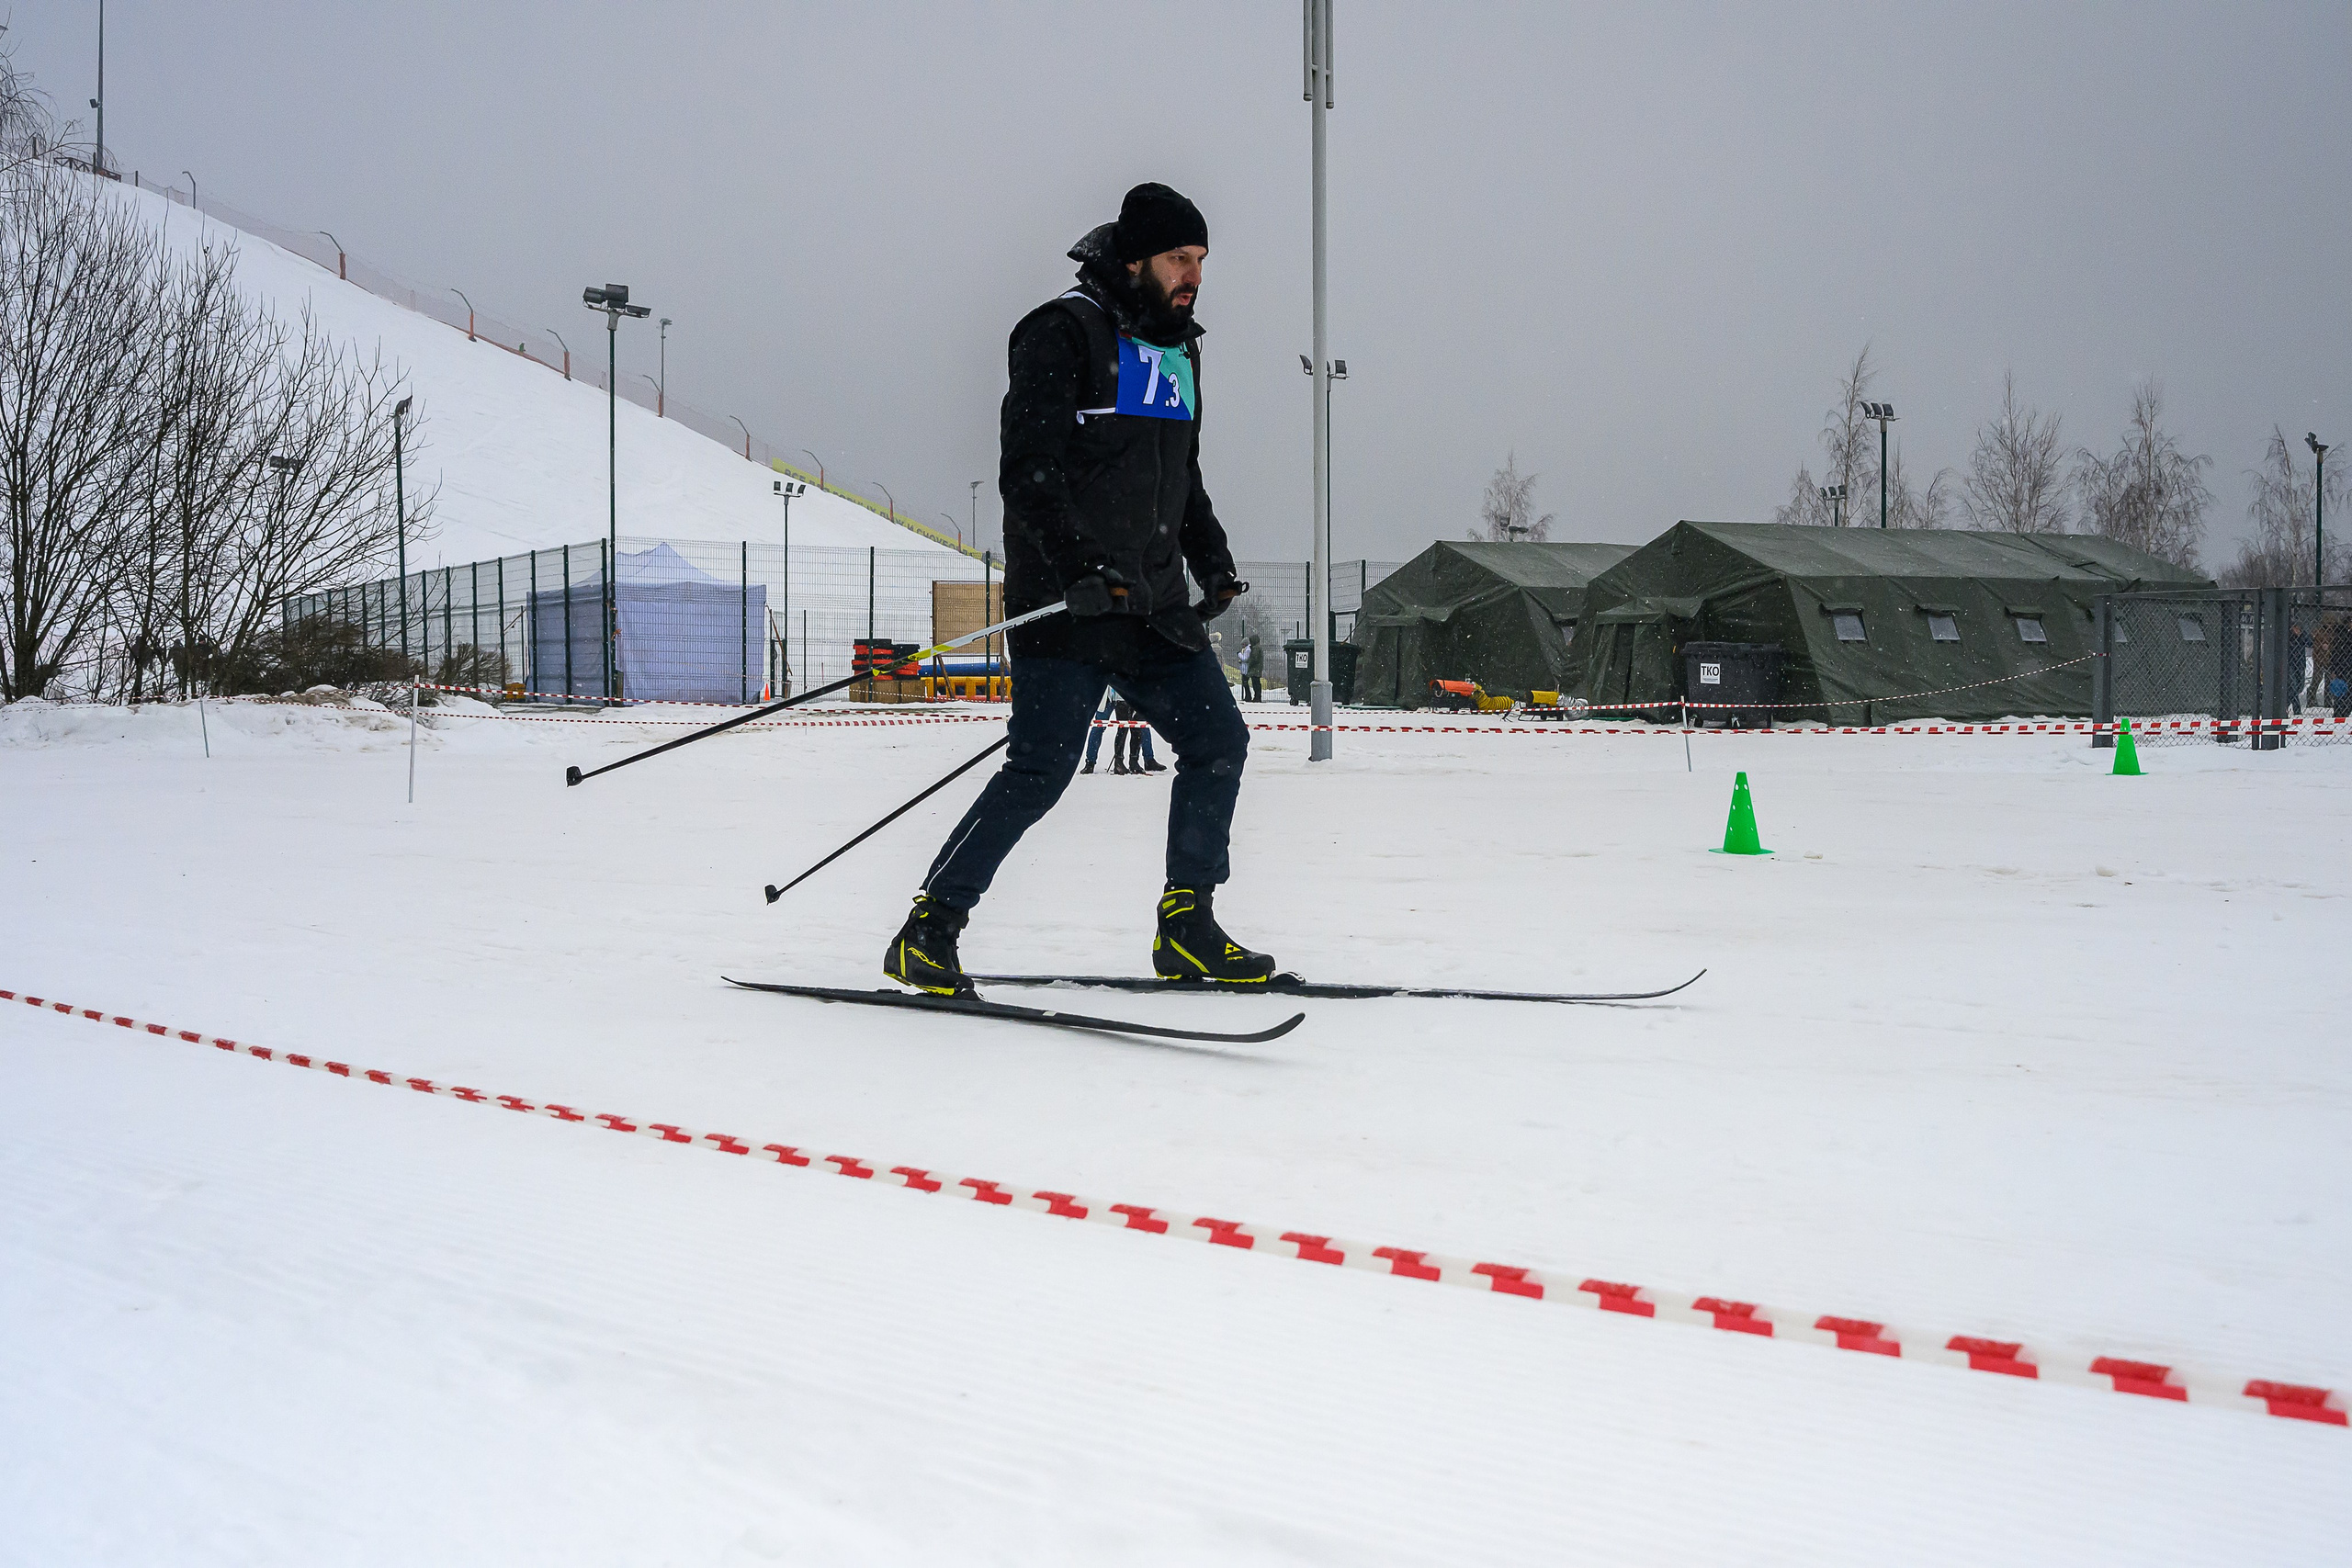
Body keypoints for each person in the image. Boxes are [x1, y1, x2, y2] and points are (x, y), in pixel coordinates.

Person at [883, 183, 1273, 996]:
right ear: (1134, 259)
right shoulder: (1060, 333)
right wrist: (1079, 568)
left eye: (1201, 260)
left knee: (1217, 744)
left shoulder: (1176, 347)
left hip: (1155, 606)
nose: (1193, 274)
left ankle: (1187, 927)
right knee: (1040, 770)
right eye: (1178, 258)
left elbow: (1179, 474)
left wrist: (1213, 559)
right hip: (1072, 604)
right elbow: (1028, 472)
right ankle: (929, 930)